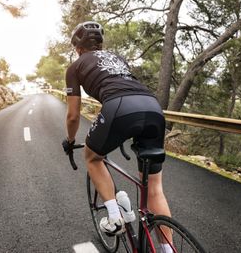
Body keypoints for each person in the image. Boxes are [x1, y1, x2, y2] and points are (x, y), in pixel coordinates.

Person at [62, 21, 171, 237]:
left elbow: (74, 114)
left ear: (77, 48)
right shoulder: (118, 58)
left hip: (119, 107)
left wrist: (71, 140)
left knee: (93, 158)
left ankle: (114, 217)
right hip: (152, 107)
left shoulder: (75, 67)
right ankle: (168, 249)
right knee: (154, 187)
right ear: (100, 44)